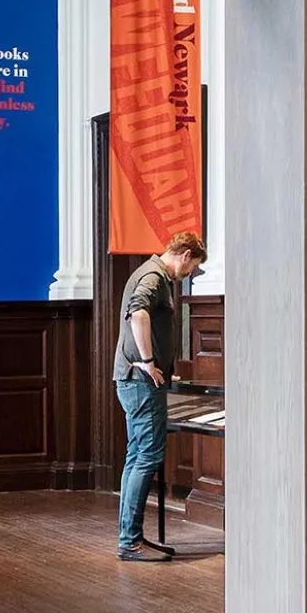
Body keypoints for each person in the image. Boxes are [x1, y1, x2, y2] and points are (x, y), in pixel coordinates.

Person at [112, 231, 206, 562]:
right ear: (185, 255)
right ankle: (129, 541)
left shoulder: (149, 273)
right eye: (193, 265)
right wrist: (150, 362)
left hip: (134, 379)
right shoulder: (153, 277)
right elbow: (138, 314)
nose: (191, 272)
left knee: (136, 456)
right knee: (146, 456)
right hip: (140, 382)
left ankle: (130, 537)